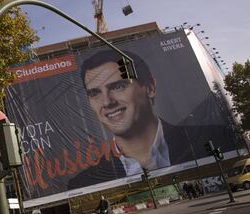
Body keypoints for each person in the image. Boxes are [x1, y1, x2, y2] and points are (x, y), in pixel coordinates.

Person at [68, 50, 235, 190]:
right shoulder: (83, 183)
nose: (107, 102)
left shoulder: (220, 137)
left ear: (150, 88)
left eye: (118, 86)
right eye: (95, 93)